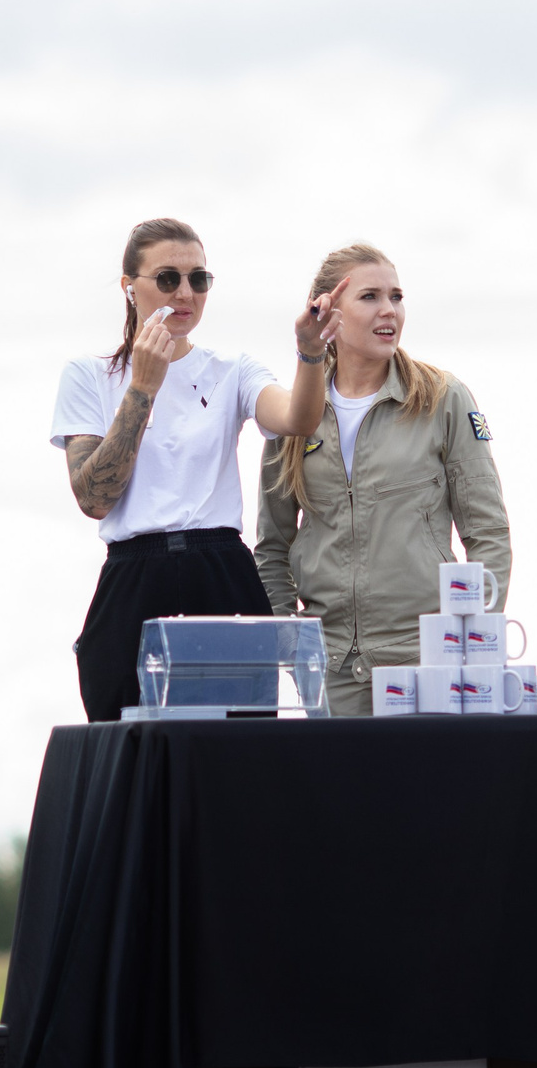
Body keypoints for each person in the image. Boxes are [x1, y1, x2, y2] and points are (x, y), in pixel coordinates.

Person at [50, 217, 339, 722]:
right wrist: (143, 387)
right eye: (167, 278)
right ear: (129, 287)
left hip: (220, 568)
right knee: (130, 748)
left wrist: (310, 353)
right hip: (134, 571)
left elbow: (298, 418)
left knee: (239, 757)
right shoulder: (89, 375)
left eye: (198, 279)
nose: (185, 293)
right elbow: (94, 497)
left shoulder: (232, 369)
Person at [255, 243, 511, 715]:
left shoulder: (444, 398)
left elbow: (488, 534)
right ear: (326, 311)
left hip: (428, 665)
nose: (389, 310)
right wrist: (292, 646)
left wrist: (472, 646)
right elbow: (271, 545)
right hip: (328, 670)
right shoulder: (293, 413)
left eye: (396, 296)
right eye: (370, 297)